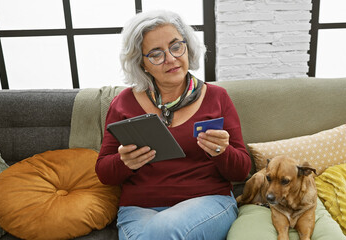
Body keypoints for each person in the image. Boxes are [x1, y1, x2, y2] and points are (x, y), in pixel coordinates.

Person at [95, 10, 252, 240]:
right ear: (142, 63)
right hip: (140, 210)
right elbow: (104, 172)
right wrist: (124, 162)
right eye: (156, 54)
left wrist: (222, 152)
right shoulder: (123, 103)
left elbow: (242, 170)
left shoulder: (217, 97)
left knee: (164, 232)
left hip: (208, 202)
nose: (170, 58)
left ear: (187, 47)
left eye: (176, 46)